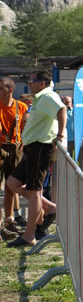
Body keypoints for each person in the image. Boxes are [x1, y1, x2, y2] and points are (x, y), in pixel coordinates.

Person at [6, 70, 66, 247]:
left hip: (41, 148)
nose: (30, 84)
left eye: (33, 81)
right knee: (12, 183)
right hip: (32, 149)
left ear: (42, 83)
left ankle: (29, 235)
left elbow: (62, 109)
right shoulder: (40, 97)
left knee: (34, 193)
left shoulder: (48, 96)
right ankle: (50, 208)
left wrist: (60, 135)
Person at [0, 78, 29, 241]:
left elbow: (26, 129)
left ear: (10, 91)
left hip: (16, 148)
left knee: (10, 186)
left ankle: (9, 221)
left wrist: (24, 146)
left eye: (0, 88)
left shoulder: (21, 107)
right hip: (0, 147)